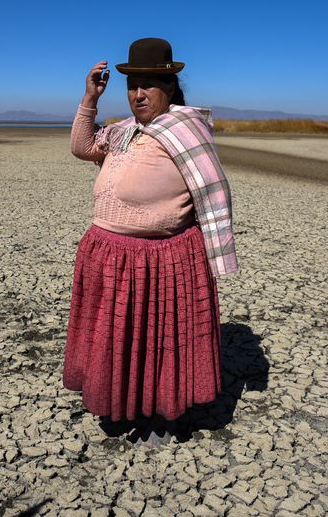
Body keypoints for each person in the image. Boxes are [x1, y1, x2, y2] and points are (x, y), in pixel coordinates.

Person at [62, 38, 239, 427]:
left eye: (148, 85)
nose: (137, 94)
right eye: (131, 85)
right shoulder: (124, 130)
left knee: (152, 341)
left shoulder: (185, 132)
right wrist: (89, 99)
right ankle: (115, 401)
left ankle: (156, 412)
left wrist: (213, 251)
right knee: (114, 337)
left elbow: (213, 189)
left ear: (170, 88)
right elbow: (82, 147)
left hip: (156, 257)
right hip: (108, 253)